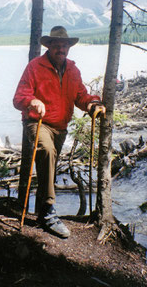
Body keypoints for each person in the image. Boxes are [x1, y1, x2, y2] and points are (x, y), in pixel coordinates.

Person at [13, 26, 105, 238]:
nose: (61, 49)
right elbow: (18, 98)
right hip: (38, 122)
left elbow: (81, 95)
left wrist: (92, 104)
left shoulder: (73, 70)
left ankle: (41, 211)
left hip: (60, 127)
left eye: (64, 45)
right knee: (46, 152)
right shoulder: (35, 67)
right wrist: (32, 101)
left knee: (50, 169)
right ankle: (48, 214)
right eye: (57, 45)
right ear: (49, 46)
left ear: (69, 48)